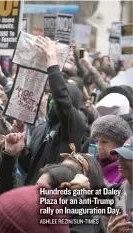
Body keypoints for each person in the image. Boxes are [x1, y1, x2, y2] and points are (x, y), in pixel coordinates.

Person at [16, 36, 87, 185]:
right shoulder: (43, 128)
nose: (52, 103)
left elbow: (62, 100)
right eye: (50, 99)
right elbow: (31, 167)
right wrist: (21, 150)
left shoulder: (74, 124)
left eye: (56, 101)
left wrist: (52, 59)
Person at [90, 115, 132, 184]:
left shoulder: (126, 170)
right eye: (97, 141)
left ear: (120, 144)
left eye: (104, 142)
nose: (99, 146)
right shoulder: (93, 162)